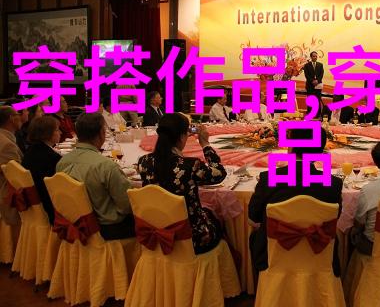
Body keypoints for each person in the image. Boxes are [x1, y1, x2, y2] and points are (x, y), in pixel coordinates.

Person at [248, 127, 343, 276]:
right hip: (320, 253)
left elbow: (253, 216)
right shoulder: (334, 184)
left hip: (272, 257)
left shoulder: (269, 178)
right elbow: (335, 217)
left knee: (255, 235)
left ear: (291, 148)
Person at [138, 113, 227, 254]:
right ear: (181, 137)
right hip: (192, 237)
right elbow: (219, 173)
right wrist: (205, 144)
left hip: (156, 229)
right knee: (218, 219)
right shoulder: (190, 166)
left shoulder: (144, 162)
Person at [56, 113, 134, 240]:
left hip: (75, 222)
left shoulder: (62, 162)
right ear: (101, 134)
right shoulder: (106, 166)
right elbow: (126, 205)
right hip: (106, 229)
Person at [21, 116, 62, 225]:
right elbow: (57, 189)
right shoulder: (51, 158)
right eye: (57, 130)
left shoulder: (31, 150)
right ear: (48, 133)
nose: (60, 132)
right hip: (49, 208)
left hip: (32, 204)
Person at [0, 106, 24, 226]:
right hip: (9, 200)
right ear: (12, 118)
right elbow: (16, 179)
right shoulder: (7, 145)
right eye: (18, 114)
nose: (20, 117)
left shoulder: (4, 138)